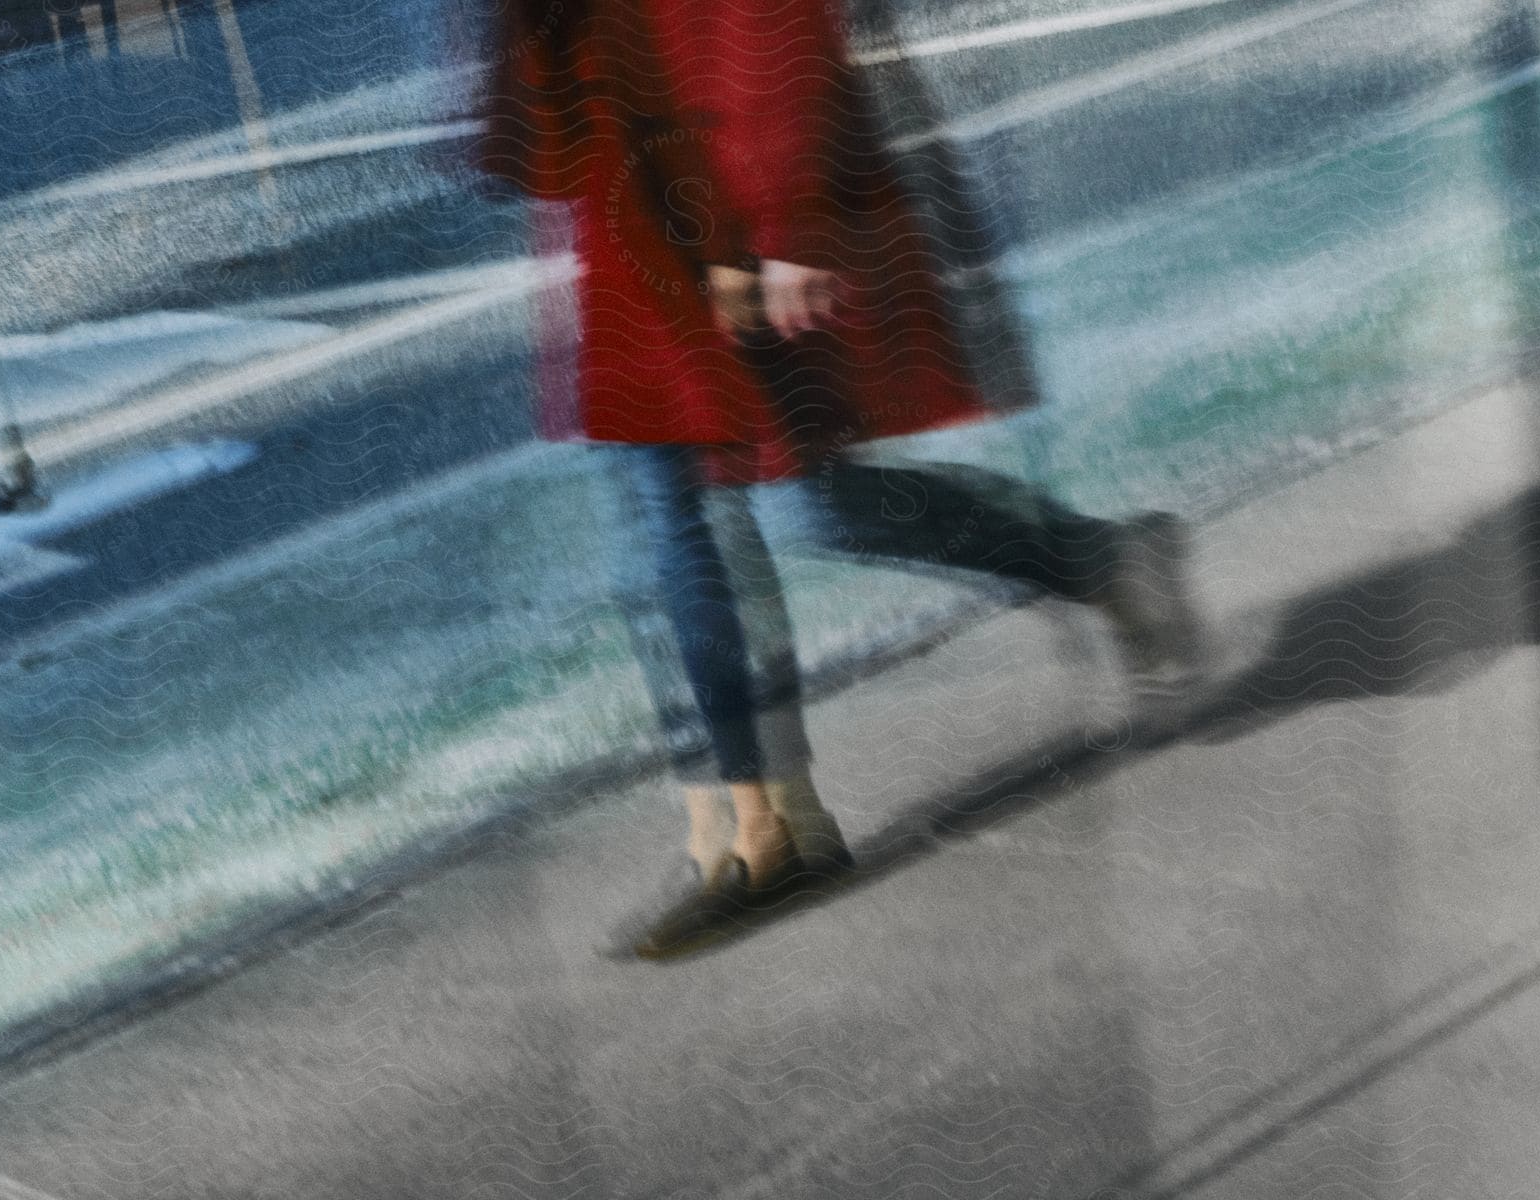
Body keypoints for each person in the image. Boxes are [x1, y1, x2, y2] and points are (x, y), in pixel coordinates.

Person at [477, 0, 1198, 957]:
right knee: (667, 532)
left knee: (804, 511)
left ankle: (1095, 558)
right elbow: (543, 140)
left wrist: (785, 222)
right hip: (634, 229)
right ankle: (756, 831)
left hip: (725, 205)